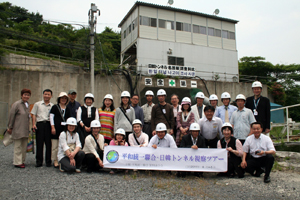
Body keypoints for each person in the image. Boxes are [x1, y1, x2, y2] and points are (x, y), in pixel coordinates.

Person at [7, 89, 31, 168]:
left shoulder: (27, 104)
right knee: (18, 146)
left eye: (28, 95)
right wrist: (10, 127)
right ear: (21, 95)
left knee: (24, 146)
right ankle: (17, 162)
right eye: (25, 94)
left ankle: (22, 160)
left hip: (25, 129)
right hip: (17, 128)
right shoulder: (16, 104)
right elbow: (11, 115)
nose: (26, 96)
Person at [31, 89, 54, 167]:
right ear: (43, 95)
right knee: (39, 143)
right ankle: (39, 161)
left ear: (51, 96)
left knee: (48, 144)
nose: (46, 96)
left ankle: (48, 161)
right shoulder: (37, 104)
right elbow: (33, 114)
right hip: (40, 124)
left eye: (48, 94)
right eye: (45, 94)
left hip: (48, 125)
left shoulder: (52, 106)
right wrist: (33, 124)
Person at [50, 92, 71, 168]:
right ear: (59, 99)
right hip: (56, 129)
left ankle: (62, 160)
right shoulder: (55, 107)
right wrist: (52, 127)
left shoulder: (67, 108)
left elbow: (69, 119)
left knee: (63, 145)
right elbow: (51, 117)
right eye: (62, 98)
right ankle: (55, 160)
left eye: (65, 98)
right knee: (55, 146)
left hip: (64, 129)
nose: (63, 100)